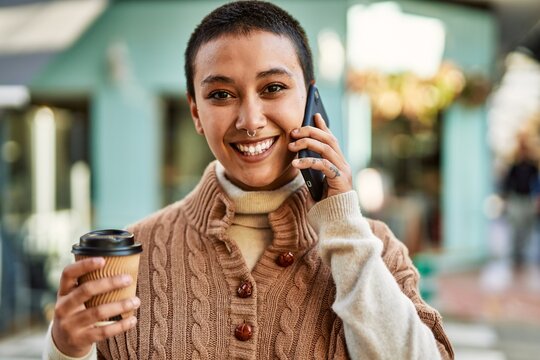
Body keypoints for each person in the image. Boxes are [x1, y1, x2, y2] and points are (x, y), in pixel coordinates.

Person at [44, 1, 453, 359]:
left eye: (273, 88)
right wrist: (66, 350)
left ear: (310, 99)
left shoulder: (371, 248)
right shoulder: (133, 256)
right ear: (194, 112)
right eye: (221, 95)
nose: (250, 120)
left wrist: (342, 223)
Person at [502, 135, 539, 268]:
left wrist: (536, 199)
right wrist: (506, 199)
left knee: (528, 227)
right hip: (516, 199)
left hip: (527, 199)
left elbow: (536, 184)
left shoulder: (532, 167)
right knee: (516, 227)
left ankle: (524, 253)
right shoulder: (514, 167)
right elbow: (507, 184)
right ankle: (515, 254)